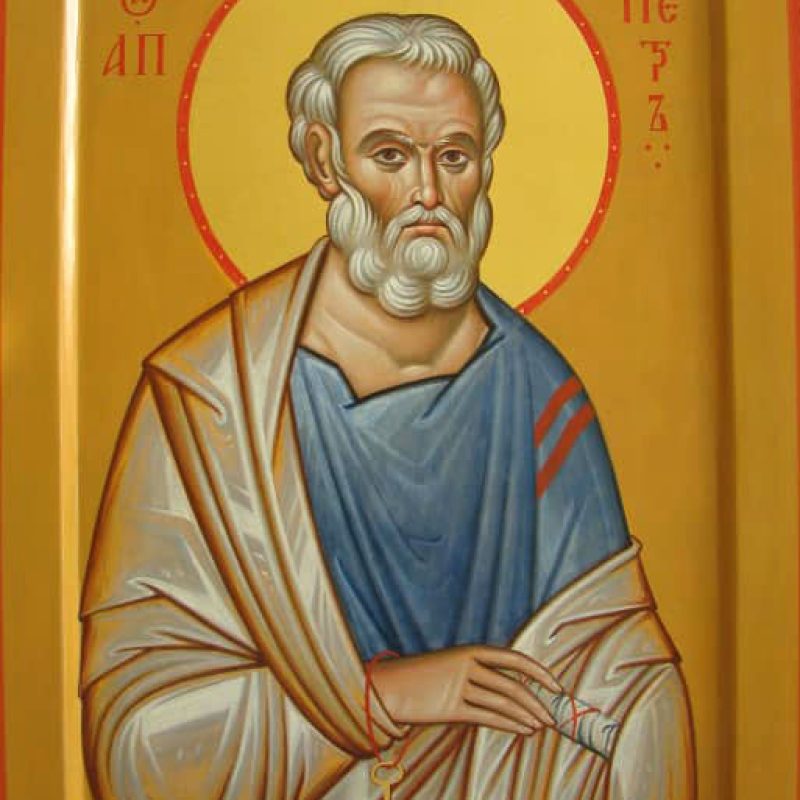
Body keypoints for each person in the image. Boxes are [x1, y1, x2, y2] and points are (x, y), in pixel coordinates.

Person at [80, 14, 696, 799]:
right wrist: (383, 696)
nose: (428, 192)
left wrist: (634, 715)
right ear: (324, 159)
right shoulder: (213, 402)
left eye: (454, 156)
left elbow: (616, 661)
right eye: (391, 155)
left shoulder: (539, 394)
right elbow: (134, 742)